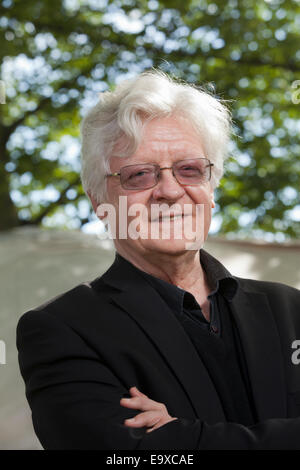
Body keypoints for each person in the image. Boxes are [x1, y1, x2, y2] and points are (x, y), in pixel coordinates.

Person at [17, 70, 300, 450]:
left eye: (189, 169)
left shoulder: (292, 309)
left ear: (211, 188)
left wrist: (183, 437)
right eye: (139, 175)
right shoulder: (62, 330)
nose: (169, 191)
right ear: (99, 203)